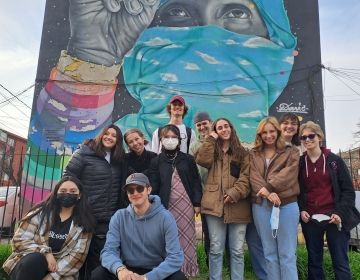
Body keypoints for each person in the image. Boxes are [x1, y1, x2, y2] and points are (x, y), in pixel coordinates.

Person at [91, 173, 186, 280]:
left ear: (149, 190)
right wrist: (120, 270)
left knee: (179, 278)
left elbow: (175, 257)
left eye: (140, 188)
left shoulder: (166, 218)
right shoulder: (119, 217)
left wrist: (147, 278)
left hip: (156, 269)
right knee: (98, 274)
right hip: (127, 270)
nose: (135, 193)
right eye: (130, 190)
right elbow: (108, 251)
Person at [63, 124, 127, 279]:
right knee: (77, 258)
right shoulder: (85, 152)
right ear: (101, 135)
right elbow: (68, 177)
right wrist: (76, 202)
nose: (109, 137)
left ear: (117, 141)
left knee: (98, 261)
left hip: (106, 218)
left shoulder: (118, 159)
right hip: (85, 214)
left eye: (114, 136)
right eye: (107, 133)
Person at [298, 121, 360, 280]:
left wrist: (339, 213)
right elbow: (297, 191)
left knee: (340, 261)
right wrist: (301, 209)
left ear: (320, 137)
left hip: (334, 217)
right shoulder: (300, 163)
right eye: (303, 137)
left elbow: (348, 191)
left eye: (311, 136)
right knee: (314, 262)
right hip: (311, 218)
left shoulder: (334, 161)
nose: (307, 140)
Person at [3, 176, 95, 280]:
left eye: (73, 191)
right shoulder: (40, 213)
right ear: (56, 194)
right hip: (31, 263)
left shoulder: (84, 223)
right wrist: (46, 252)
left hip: (62, 271)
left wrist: (51, 276)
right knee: (36, 259)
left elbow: (77, 256)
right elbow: (19, 240)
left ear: (80, 195)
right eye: (63, 190)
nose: (68, 194)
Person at [195, 117, 251, 280]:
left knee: (237, 251)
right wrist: (210, 138)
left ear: (232, 129)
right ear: (216, 131)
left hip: (238, 206)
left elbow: (247, 178)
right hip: (213, 206)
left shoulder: (243, 153)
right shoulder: (210, 150)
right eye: (220, 128)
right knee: (216, 249)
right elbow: (201, 160)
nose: (224, 129)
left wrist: (235, 192)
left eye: (227, 126)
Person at [148, 124, 202, 277]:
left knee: (186, 238)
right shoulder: (156, 161)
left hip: (186, 205)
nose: (170, 140)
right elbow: (153, 186)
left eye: (174, 137)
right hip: (166, 206)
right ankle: (170, 271)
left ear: (179, 140)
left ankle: (188, 270)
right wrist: (155, 206)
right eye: (167, 137)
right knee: (169, 238)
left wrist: (197, 202)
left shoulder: (188, 159)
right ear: (161, 140)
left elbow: (196, 181)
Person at [250, 116, 300, 280]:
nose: (268, 135)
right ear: (259, 134)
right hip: (261, 205)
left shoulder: (291, 151)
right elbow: (253, 176)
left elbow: (289, 174)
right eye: (264, 132)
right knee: (269, 254)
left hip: (286, 205)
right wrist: (266, 192)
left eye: (272, 131)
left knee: (287, 254)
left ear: (277, 132)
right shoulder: (254, 153)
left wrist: (269, 188)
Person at [189, 111, 212, 266]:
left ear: (210, 123)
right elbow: (194, 175)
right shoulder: (193, 147)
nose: (202, 127)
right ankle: (211, 266)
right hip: (206, 197)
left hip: (225, 195)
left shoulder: (221, 140)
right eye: (199, 125)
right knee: (209, 233)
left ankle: (231, 266)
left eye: (205, 123)